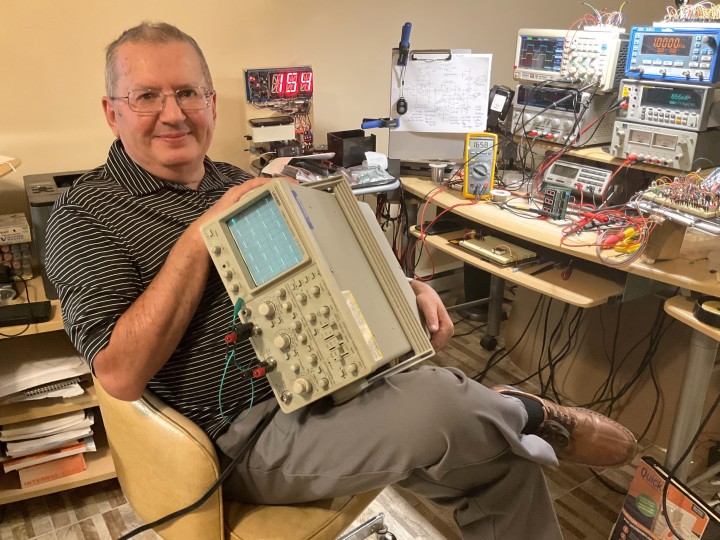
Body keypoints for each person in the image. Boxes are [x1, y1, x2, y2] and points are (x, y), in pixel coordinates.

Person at [45, 22, 637, 539]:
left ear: (212, 105)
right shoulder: (86, 216)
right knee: (440, 399)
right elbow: (119, 374)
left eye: (187, 92)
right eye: (147, 96)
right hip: (241, 435)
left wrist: (404, 290)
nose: (172, 112)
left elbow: (329, 266)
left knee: (504, 466)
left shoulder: (235, 177)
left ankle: (499, 418)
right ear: (112, 111)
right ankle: (532, 414)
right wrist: (201, 235)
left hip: (330, 379)